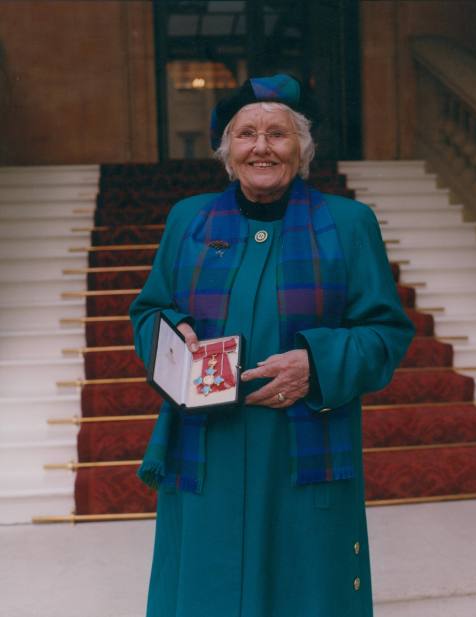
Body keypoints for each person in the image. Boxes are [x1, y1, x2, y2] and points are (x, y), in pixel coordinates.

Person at [130, 73, 415, 617]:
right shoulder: (188, 220)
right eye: (246, 134)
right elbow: (149, 309)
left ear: (302, 150)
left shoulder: (349, 224)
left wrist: (317, 362)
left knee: (304, 591)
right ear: (227, 150)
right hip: (206, 448)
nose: (261, 146)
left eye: (278, 134)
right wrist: (172, 333)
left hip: (302, 451)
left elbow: (386, 332)